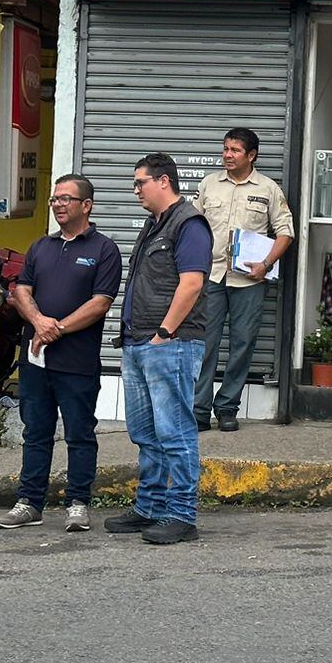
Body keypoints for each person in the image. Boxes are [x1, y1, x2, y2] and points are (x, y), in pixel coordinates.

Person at [0, 174, 122, 533]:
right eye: (55, 199)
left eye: (66, 199)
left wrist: (57, 329)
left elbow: (100, 304)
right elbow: (21, 291)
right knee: (35, 431)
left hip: (77, 361)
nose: (58, 205)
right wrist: (38, 321)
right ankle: (29, 502)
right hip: (35, 359)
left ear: (87, 205)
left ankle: (78, 503)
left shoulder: (104, 249)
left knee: (80, 433)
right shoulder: (40, 247)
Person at [104, 152, 214, 546]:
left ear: (163, 181)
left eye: (140, 182)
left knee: (175, 431)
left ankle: (182, 514)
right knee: (145, 433)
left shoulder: (189, 223)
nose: (135, 190)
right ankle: (149, 506)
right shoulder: (155, 225)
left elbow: (192, 283)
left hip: (171, 343)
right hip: (140, 342)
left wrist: (164, 333)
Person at [193, 127, 294, 432]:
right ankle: (199, 409)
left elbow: (285, 232)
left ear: (251, 155)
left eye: (235, 150)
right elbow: (191, 225)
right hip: (211, 276)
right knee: (205, 344)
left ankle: (227, 408)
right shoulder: (210, 184)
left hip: (249, 281)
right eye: (225, 149)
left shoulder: (268, 189)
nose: (227, 155)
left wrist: (266, 264)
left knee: (242, 344)